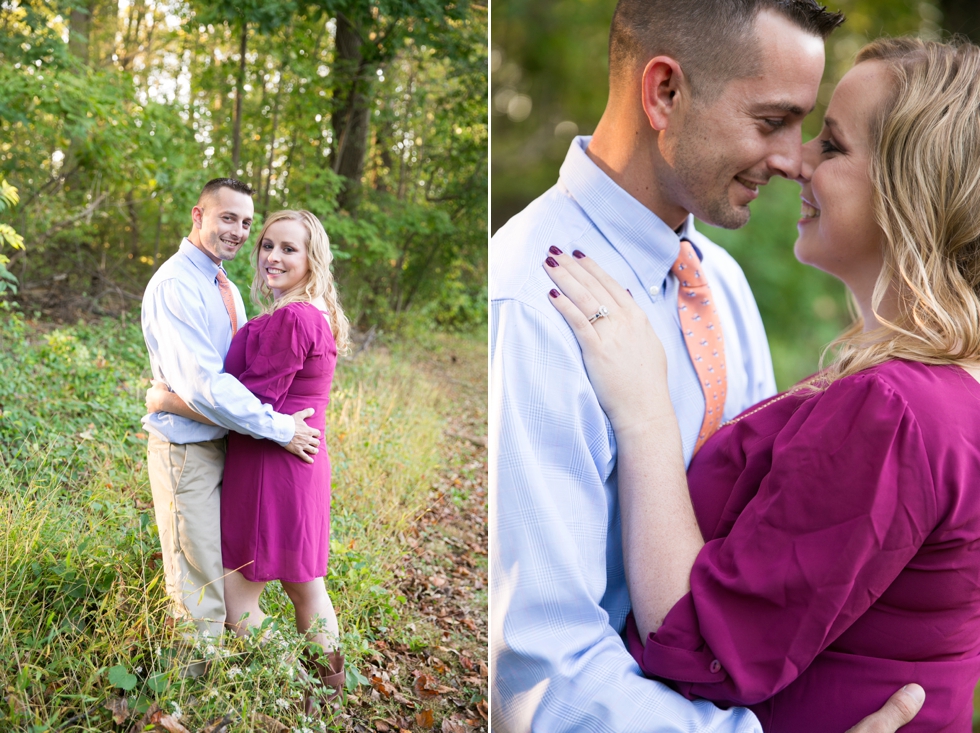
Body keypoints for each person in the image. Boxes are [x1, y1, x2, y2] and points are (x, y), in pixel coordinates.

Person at [489, 0, 921, 730]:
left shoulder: (720, 285)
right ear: (664, 93)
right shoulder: (530, 301)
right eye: (771, 121)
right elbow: (538, 666)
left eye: (805, 125)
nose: (793, 161)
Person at [146, 210, 350, 704]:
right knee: (306, 585)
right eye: (267, 246)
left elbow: (243, 402)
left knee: (237, 602)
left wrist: (166, 400)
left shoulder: (291, 318)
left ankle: (295, 688)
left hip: (269, 466)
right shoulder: (314, 310)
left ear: (312, 258)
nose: (273, 257)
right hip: (300, 463)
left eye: (288, 248)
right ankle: (330, 692)